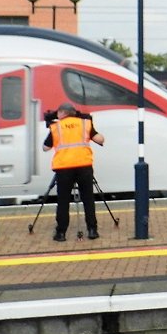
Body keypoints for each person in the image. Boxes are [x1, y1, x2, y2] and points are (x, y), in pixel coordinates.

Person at [43, 102, 105, 241]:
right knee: (88, 199)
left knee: (63, 200)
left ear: (63, 113)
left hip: (64, 168)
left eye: (58, 113)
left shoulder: (55, 127)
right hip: (84, 166)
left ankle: (61, 233)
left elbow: (45, 148)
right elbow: (100, 139)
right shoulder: (85, 124)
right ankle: (92, 230)